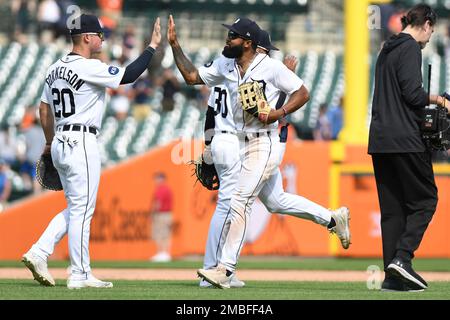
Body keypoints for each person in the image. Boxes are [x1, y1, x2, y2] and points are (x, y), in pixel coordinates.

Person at [168, 16, 351, 289]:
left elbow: (303, 92)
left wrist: (279, 112)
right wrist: (175, 45)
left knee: (239, 200)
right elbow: (192, 77)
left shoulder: (271, 68)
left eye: (233, 36)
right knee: (276, 201)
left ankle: (225, 269)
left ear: (248, 43)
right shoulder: (225, 64)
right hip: (236, 142)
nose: (228, 39)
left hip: (261, 143)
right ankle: (332, 218)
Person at [21, 13, 161, 289]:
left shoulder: (53, 68)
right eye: (99, 34)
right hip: (81, 141)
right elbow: (129, 75)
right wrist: (152, 46)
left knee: (77, 208)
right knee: (83, 210)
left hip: (60, 140)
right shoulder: (89, 67)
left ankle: (39, 251)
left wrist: (49, 143)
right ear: (86, 37)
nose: (102, 38)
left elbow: (43, 109)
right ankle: (79, 274)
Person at [369, 4, 450, 292]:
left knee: (392, 211)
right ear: (426, 23)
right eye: (431, 30)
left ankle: (392, 277)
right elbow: (413, 95)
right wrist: (439, 100)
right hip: (405, 138)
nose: (429, 37)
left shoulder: (386, 48)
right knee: (426, 200)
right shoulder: (409, 48)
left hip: (379, 141)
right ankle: (402, 259)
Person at [149, 172, 173, 262]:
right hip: (167, 214)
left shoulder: (161, 189)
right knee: (165, 234)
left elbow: (158, 203)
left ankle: (162, 253)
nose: (155, 181)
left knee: (160, 234)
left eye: (157, 178)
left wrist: (152, 214)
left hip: (161, 214)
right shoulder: (167, 189)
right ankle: (165, 253)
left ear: (161, 179)